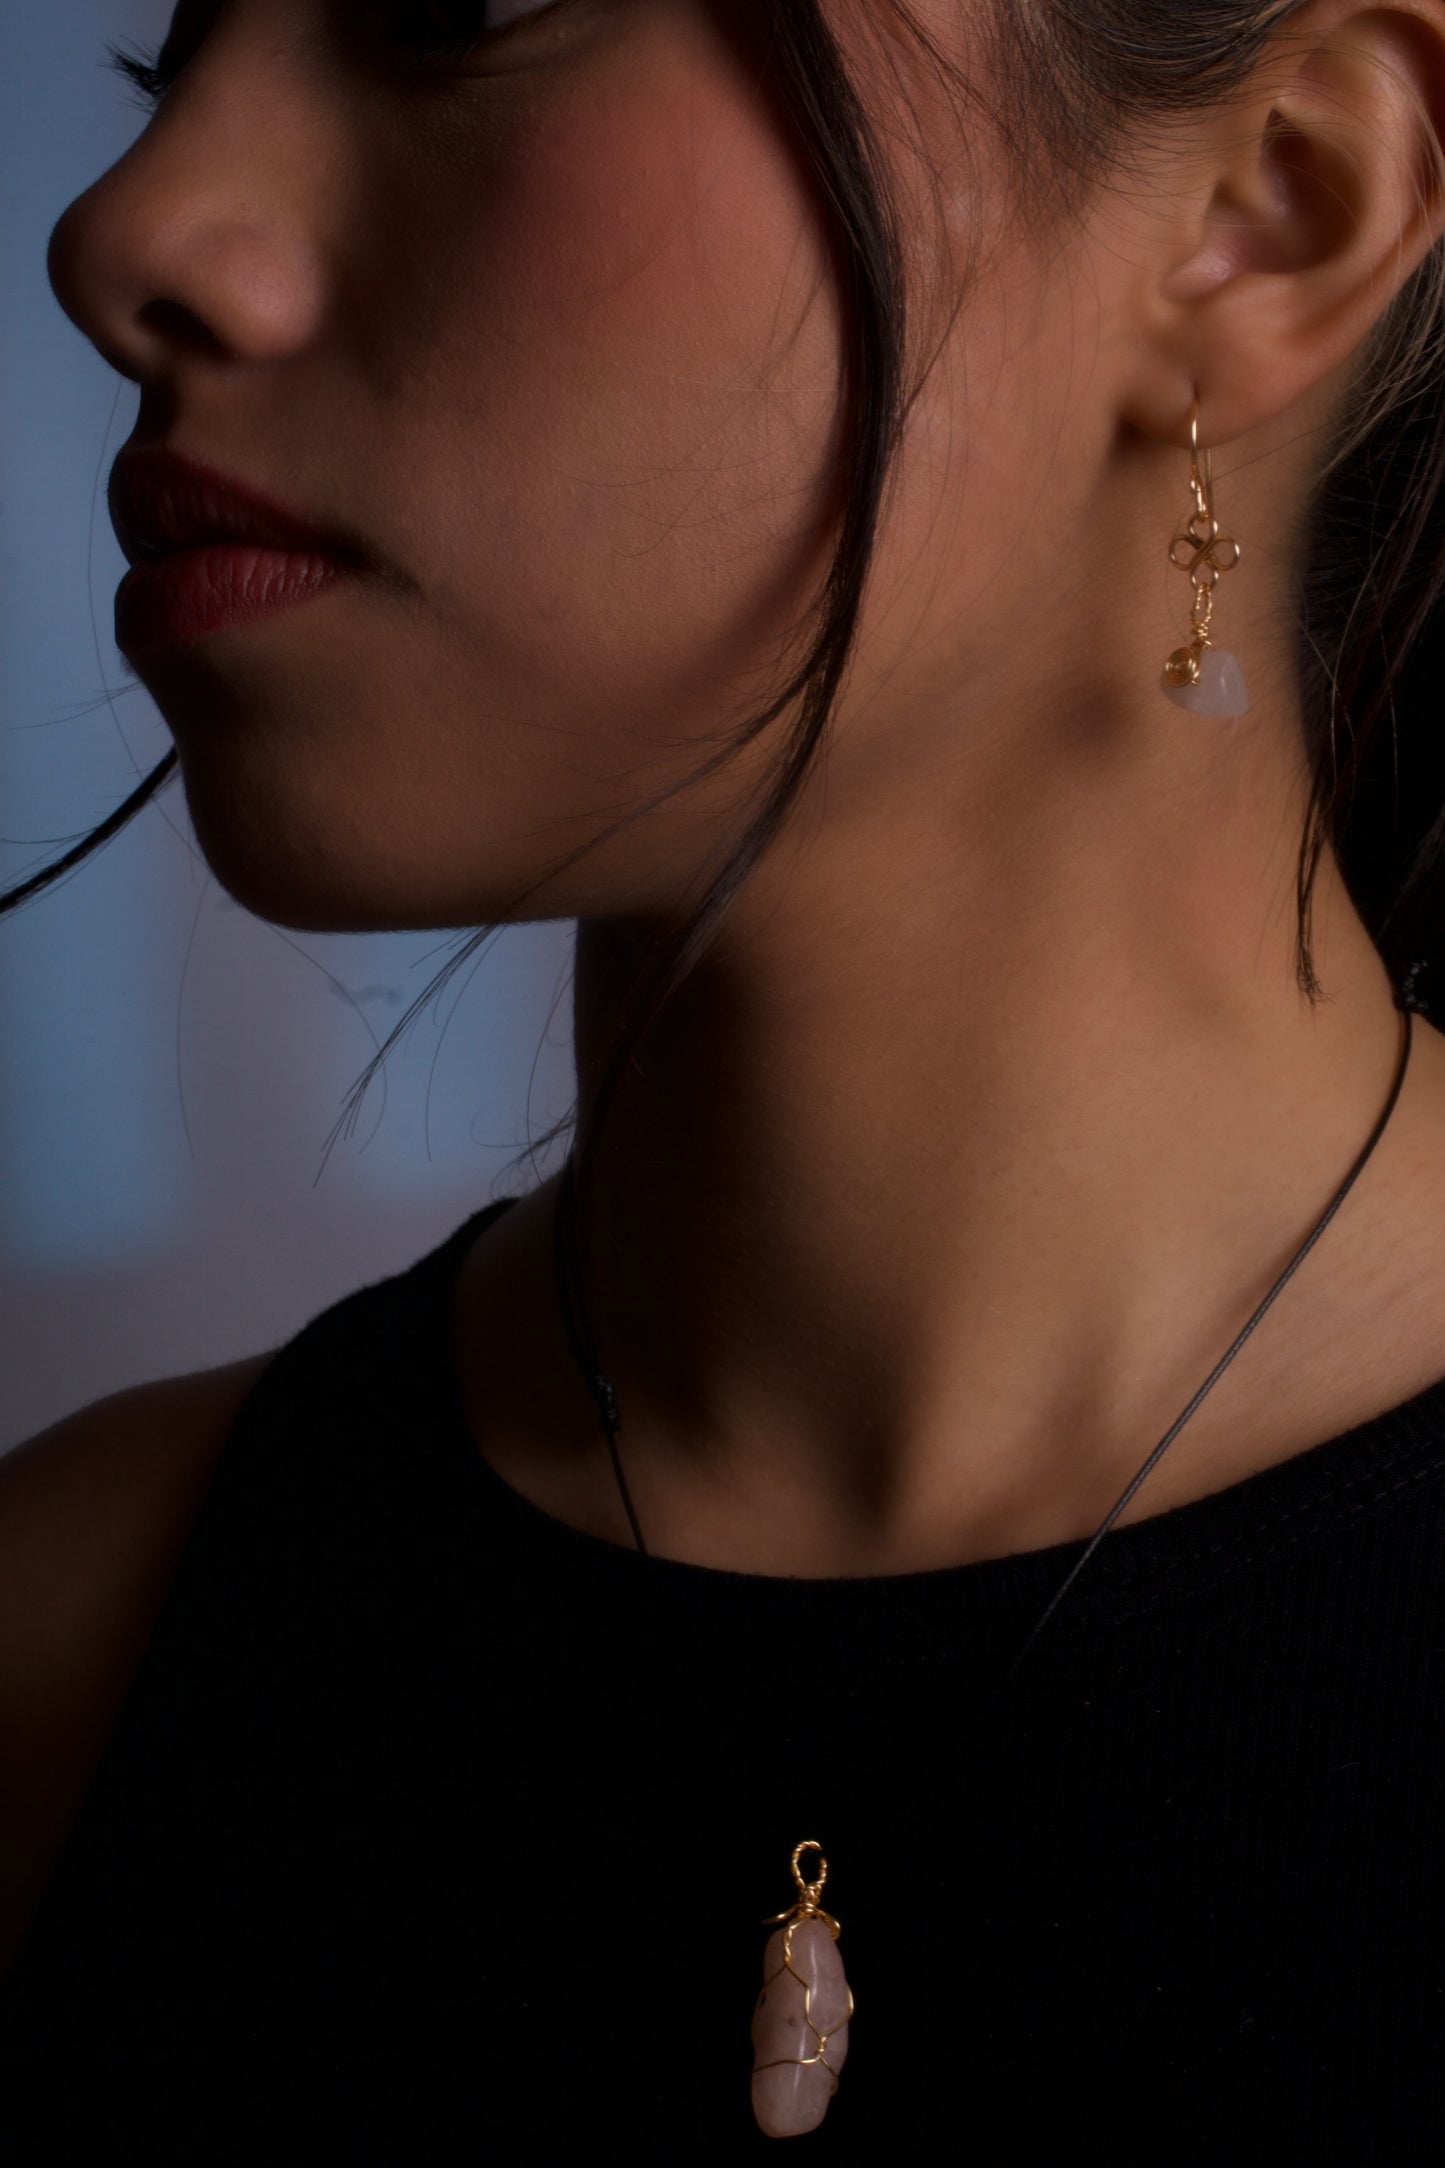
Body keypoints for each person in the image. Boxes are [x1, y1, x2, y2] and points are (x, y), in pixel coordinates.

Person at [4, 0, 1445, 2155]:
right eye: (178, 47)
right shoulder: (71, 1656)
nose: (118, 231)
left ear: (1273, 206)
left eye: (448, 11)